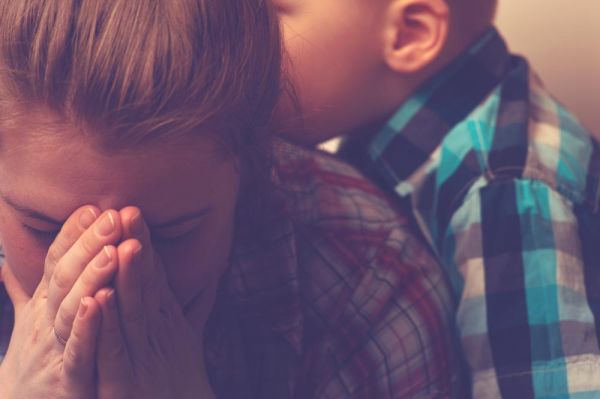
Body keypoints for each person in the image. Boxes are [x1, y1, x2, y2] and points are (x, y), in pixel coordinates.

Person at [0, 0, 461, 397]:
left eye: (171, 233)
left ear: (255, 167)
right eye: (45, 230)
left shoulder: (370, 285)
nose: (104, 287)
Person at [276, 0, 600, 397]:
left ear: (411, 33)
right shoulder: (380, 118)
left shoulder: (504, 195)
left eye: (270, 13)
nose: (240, 39)